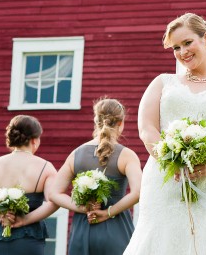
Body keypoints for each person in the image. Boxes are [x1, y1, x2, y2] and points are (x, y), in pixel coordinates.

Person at [124, 13, 206, 255]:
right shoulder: (162, 83)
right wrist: (171, 161)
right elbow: (147, 129)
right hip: (167, 178)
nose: (182, 52)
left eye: (187, 43)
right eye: (175, 47)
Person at [49, 97, 142, 255]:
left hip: (82, 230)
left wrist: (82, 208)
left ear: (96, 121)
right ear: (120, 123)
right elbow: (139, 192)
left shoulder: (75, 154)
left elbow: (53, 193)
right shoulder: (127, 155)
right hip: (116, 230)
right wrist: (108, 212)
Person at [0, 115, 58, 255]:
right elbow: (54, 201)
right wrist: (24, 220)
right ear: (34, 140)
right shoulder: (45, 167)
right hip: (28, 241)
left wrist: (0, 216)